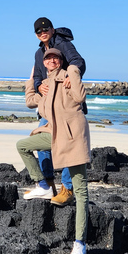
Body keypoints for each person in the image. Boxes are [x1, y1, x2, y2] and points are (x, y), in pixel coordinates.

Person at [16, 47, 90, 254]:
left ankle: (80, 243)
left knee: (81, 192)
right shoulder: (46, 86)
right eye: (48, 58)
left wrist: (73, 72)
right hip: (55, 134)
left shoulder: (67, 78)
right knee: (23, 146)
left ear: (61, 61)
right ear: (44, 63)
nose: (51, 61)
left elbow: (80, 97)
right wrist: (32, 80)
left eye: (55, 58)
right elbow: (31, 101)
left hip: (74, 137)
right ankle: (44, 185)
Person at [28, 17, 87, 207]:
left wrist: (71, 74)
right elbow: (37, 76)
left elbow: (78, 61)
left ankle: (67, 188)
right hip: (47, 107)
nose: (43, 33)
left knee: (68, 145)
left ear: (52, 30)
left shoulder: (62, 43)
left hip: (66, 106)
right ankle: (48, 185)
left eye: (46, 29)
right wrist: (38, 86)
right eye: (39, 31)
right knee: (41, 143)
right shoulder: (39, 53)